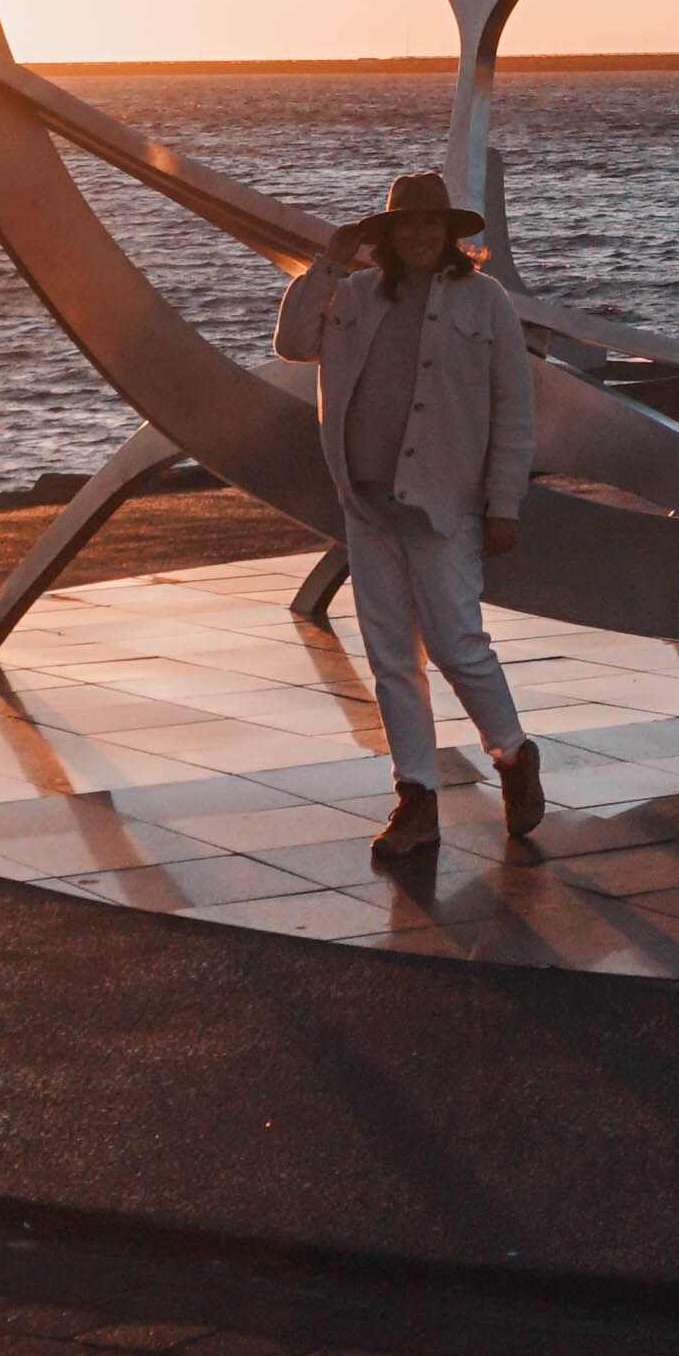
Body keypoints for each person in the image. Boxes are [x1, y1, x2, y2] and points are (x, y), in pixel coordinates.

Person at [274, 169, 540, 865]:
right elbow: (293, 341)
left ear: (448, 233)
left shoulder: (485, 301)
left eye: (430, 223)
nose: (419, 234)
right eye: (406, 224)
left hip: (446, 505)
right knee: (393, 659)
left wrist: (504, 504)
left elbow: (514, 409)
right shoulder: (354, 294)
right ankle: (416, 797)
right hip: (368, 505)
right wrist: (329, 263)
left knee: (457, 645)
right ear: (387, 236)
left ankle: (513, 755)